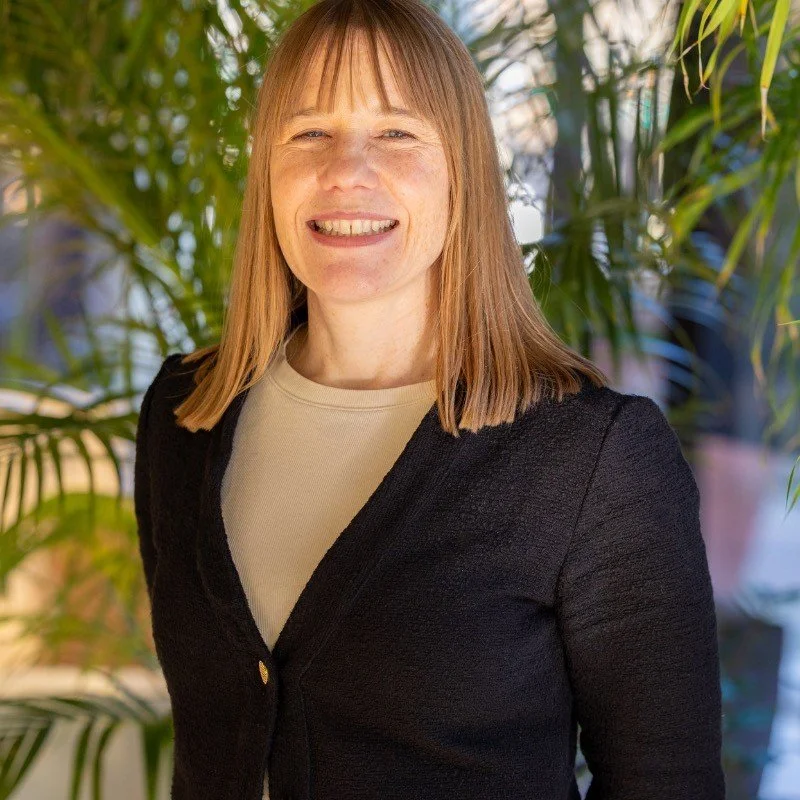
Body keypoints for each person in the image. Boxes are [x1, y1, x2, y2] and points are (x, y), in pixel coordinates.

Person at [133, 0, 726, 798]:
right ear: (265, 168)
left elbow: (667, 784)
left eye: (397, 133)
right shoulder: (184, 415)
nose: (345, 169)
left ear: (465, 173)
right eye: (308, 132)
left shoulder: (594, 459)